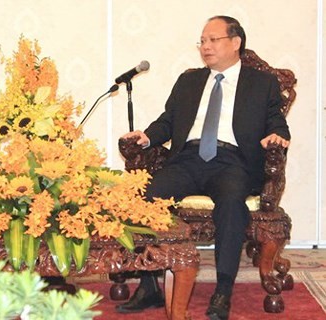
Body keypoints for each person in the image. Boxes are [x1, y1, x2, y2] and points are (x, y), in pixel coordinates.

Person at [115, 16, 290, 320]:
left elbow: (277, 122)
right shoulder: (190, 80)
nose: (205, 46)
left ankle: (223, 290)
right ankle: (148, 285)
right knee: (145, 196)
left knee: (232, 202)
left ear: (235, 43)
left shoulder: (262, 83)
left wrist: (279, 136)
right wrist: (146, 137)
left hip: (232, 162)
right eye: (202, 41)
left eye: (212, 40)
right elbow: (168, 121)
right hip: (187, 158)